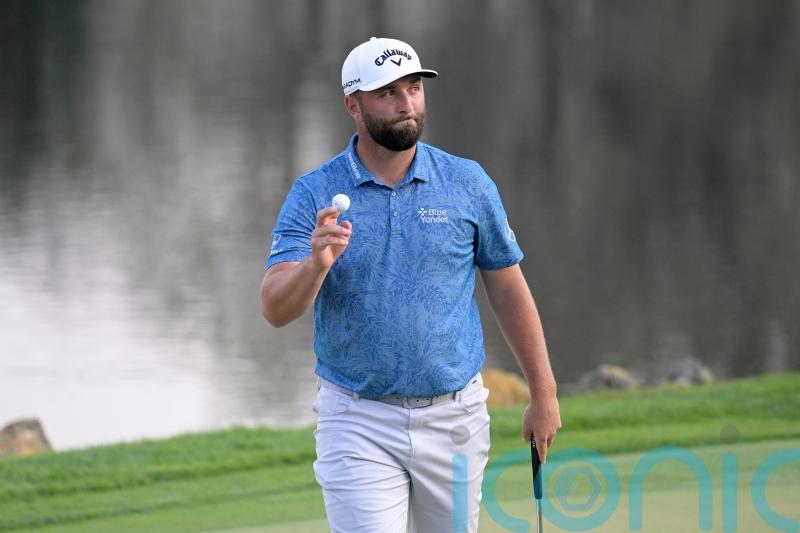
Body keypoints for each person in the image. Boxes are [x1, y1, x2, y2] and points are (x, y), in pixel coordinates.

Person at [260, 36, 561, 533]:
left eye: (414, 88)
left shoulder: (467, 182)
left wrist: (543, 393)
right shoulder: (314, 192)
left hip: (455, 418)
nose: (406, 104)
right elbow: (274, 308)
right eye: (388, 93)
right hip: (358, 419)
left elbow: (508, 289)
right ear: (353, 106)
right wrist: (316, 264)